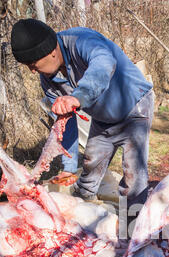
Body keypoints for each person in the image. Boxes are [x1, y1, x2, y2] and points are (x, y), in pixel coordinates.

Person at [11, 18, 154, 207]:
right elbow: (64, 123)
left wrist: (79, 96)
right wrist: (69, 168)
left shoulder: (82, 39)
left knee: (133, 179)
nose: (32, 70)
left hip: (135, 108)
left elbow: (103, 64)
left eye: (33, 63)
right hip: (103, 119)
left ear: (51, 51)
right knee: (89, 172)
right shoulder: (48, 79)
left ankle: (133, 231)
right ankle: (84, 226)